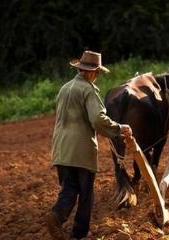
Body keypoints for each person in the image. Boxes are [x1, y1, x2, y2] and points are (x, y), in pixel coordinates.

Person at [45, 50, 132, 240]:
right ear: (92, 72)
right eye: (97, 74)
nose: (97, 77)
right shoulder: (88, 90)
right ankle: (78, 234)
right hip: (81, 151)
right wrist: (119, 128)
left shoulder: (65, 88)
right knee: (85, 194)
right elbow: (98, 119)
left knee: (69, 188)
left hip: (61, 148)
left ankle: (56, 216)